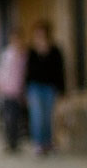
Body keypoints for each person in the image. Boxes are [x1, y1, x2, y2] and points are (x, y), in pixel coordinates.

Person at [25, 18, 66, 156]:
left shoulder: (54, 50)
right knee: (37, 116)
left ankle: (47, 142)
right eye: (37, 33)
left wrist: (62, 89)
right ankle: (38, 143)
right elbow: (28, 72)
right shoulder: (31, 51)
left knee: (48, 117)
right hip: (35, 87)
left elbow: (59, 70)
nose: (40, 36)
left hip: (49, 87)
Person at [0, 28, 28, 154]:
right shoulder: (6, 54)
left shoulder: (23, 55)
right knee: (8, 117)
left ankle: (15, 142)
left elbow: (24, 73)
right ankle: (10, 142)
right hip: (7, 90)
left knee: (16, 118)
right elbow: (1, 70)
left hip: (18, 91)